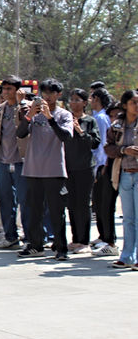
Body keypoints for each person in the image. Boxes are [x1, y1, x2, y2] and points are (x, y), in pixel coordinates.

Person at [16, 79, 73, 260]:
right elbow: (20, 134)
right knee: (34, 211)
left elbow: (66, 137)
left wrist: (50, 118)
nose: (47, 96)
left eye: (51, 93)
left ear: (59, 94)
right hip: (33, 169)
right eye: (45, 93)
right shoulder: (34, 114)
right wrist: (29, 115)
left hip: (54, 170)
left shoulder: (64, 115)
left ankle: (61, 248)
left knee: (56, 212)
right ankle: (36, 245)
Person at [0, 76, 29, 249]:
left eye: (9, 89)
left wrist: (21, 103)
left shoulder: (27, 108)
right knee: (6, 201)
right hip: (4, 160)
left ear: (18, 90)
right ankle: (10, 236)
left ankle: (30, 238)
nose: (5, 92)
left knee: (25, 201)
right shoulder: (0, 110)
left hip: (22, 160)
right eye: (3, 89)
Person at [64, 88, 101, 254]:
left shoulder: (90, 121)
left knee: (83, 204)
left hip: (85, 167)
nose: (73, 103)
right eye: (71, 100)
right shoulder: (66, 119)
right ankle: (75, 239)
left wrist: (81, 131)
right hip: (68, 167)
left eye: (77, 100)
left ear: (85, 103)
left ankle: (84, 241)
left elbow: (95, 142)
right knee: (71, 204)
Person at [105, 90, 138, 269]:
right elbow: (108, 148)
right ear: (125, 105)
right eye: (133, 102)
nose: (137, 106)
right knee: (128, 218)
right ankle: (127, 256)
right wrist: (124, 150)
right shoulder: (117, 125)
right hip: (124, 173)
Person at [89, 87, 119, 256]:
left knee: (105, 204)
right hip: (102, 165)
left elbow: (101, 145)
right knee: (99, 203)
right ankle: (103, 237)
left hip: (103, 166)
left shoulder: (100, 118)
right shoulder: (99, 116)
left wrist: (99, 167)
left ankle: (109, 240)